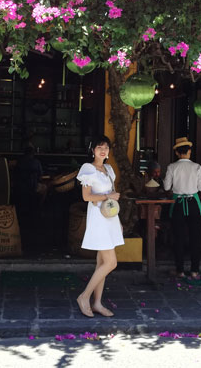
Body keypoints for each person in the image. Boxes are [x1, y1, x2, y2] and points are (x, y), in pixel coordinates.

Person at [75, 135, 123, 318]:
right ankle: (84, 296)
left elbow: (112, 195)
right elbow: (86, 197)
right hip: (98, 217)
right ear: (93, 150)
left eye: (106, 147)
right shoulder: (88, 169)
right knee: (111, 262)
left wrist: (117, 221)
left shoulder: (109, 169)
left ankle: (97, 303)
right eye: (99, 147)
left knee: (102, 263)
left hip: (110, 216)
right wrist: (107, 197)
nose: (103, 150)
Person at [163, 137, 201, 278]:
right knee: (195, 238)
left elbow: (167, 187)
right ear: (189, 151)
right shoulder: (197, 167)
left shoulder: (172, 167)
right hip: (193, 203)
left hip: (178, 204)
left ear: (176, 153)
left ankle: (180, 270)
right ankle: (194, 271)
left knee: (178, 238)